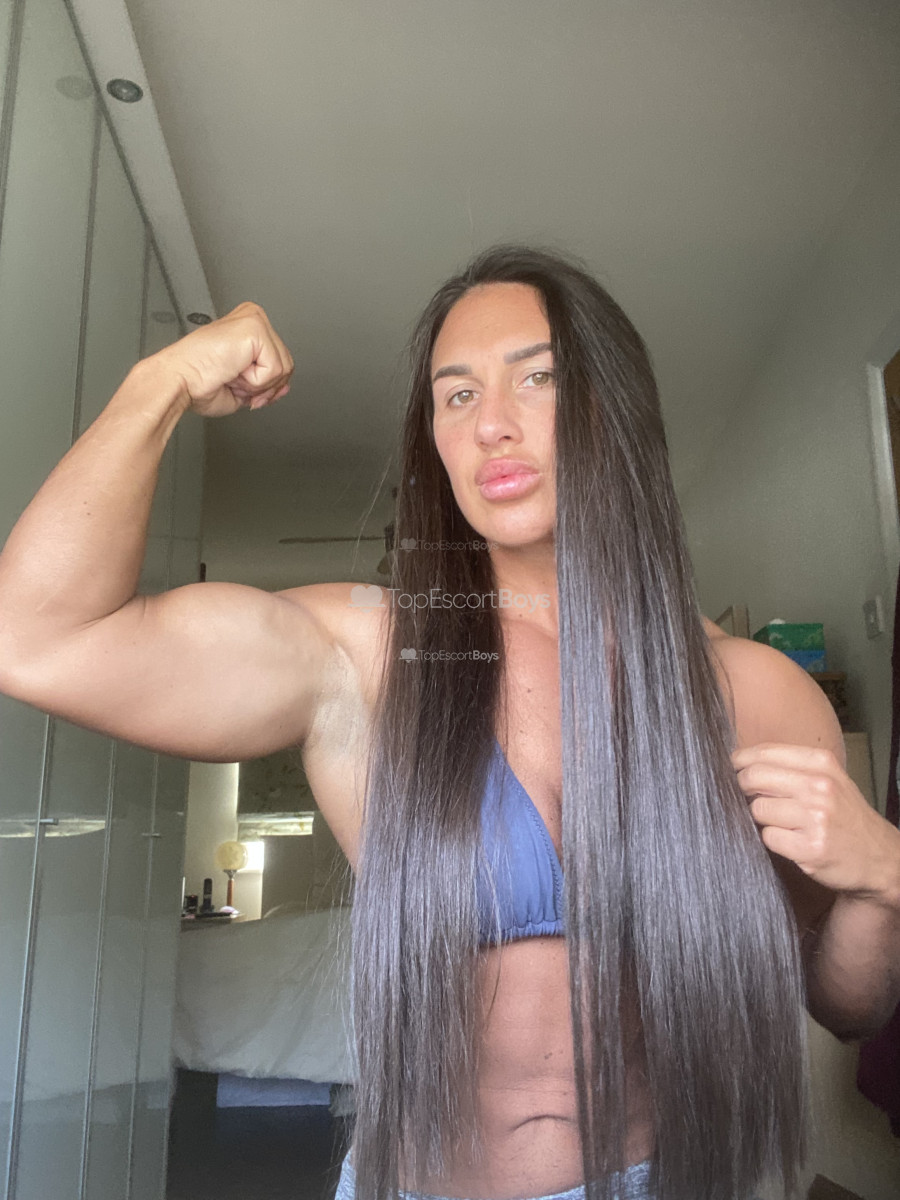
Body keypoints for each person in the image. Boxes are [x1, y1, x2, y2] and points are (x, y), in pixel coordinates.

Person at [0, 246, 898, 1200]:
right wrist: (160, 384)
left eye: (538, 377)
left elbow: (847, 1006)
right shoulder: (368, 655)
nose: (491, 424)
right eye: (457, 395)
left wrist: (884, 876)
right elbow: (37, 639)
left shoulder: (752, 691)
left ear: (612, 406)